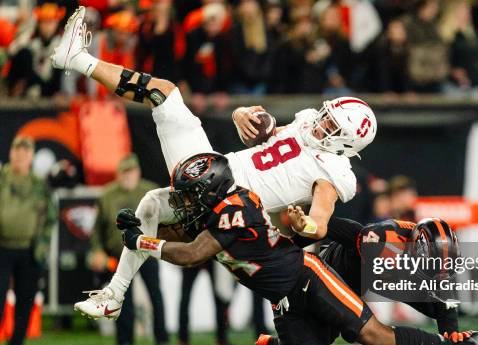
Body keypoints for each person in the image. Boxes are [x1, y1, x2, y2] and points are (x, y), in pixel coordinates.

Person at [51, 7, 376, 320]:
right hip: (218, 177)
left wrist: (303, 223)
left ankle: (77, 59)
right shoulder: (306, 123)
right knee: (150, 206)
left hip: (227, 193)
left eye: (331, 126)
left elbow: (319, 223)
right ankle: (114, 296)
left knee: (164, 94)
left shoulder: (335, 173)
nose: (321, 123)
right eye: (326, 116)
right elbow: (265, 136)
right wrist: (241, 115)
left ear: (346, 141)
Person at [117, 151, 478, 345]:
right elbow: (184, 241)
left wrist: (140, 240)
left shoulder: (231, 212)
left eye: (188, 195)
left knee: (374, 334)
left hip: (308, 276)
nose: (183, 203)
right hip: (305, 281)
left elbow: (188, 253)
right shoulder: (378, 243)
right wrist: (144, 228)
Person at [258, 215, 469, 345]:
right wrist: (294, 240)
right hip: (333, 277)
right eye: (430, 269)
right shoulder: (381, 240)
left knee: (433, 309)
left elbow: (442, 287)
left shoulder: (436, 258)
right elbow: (330, 226)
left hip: (367, 284)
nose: (437, 278)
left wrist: (451, 332)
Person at [88, 154, 169, 345]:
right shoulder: (107, 195)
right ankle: (124, 342)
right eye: (124, 172)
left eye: (130, 171)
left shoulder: (150, 191)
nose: (127, 176)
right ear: (118, 174)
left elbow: (166, 221)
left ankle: (162, 340)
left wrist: (163, 245)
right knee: (122, 298)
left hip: (147, 252)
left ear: (137, 171)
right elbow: (97, 229)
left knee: (155, 295)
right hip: (118, 254)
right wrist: (97, 250)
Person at [0, 136, 55, 345]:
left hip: (29, 249)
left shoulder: (39, 184)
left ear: (31, 156)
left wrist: (42, 247)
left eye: (25, 152)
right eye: (17, 151)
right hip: (2, 247)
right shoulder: (2, 178)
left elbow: (49, 217)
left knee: (25, 298)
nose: (21, 155)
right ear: (11, 153)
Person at [7, 2, 64, 97]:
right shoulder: (32, 43)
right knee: (24, 54)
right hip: (28, 91)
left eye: (50, 22)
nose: (46, 26)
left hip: (51, 92)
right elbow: (11, 51)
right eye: (43, 22)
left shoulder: (62, 46)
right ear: (38, 23)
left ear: (57, 24)